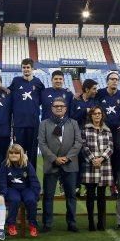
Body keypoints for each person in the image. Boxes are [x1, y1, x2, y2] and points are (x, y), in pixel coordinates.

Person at [37, 97, 83, 232]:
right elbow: (42, 143)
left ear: (65, 108)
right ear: (51, 108)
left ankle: (72, 223)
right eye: (56, 106)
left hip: (70, 164)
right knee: (48, 196)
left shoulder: (73, 123)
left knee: (71, 196)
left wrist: (67, 158)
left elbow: (78, 142)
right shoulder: (44, 123)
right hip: (51, 164)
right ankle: (47, 223)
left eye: (61, 106)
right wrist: (54, 158)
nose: (58, 108)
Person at [81, 106, 114, 231]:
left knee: (101, 196)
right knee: (90, 196)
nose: (97, 115)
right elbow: (83, 146)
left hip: (104, 166)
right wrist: (93, 159)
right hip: (90, 166)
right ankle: (91, 223)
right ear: (91, 115)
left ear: (102, 115)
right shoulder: (85, 129)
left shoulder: (107, 130)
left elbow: (110, 147)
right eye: (95, 114)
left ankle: (101, 223)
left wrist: (101, 159)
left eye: (99, 113)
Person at [95, 71, 120, 194]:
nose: (114, 81)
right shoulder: (100, 93)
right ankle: (98, 184)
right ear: (107, 81)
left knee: (116, 159)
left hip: (117, 132)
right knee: (101, 157)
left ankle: (114, 184)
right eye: (112, 79)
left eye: (116, 79)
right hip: (103, 131)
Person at [9, 59, 45, 170]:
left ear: (32, 69)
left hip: (33, 125)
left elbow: (45, 98)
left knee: (33, 154)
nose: (26, 69)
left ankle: (32, 178)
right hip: (19, 125)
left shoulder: (38, 83)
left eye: (28, 67)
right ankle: (19, 178)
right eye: (24, 67)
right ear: (21, 69)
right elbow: (7, 92)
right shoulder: (16, 81)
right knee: (18, 153)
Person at [0, 143, 41, 238]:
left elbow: (34, 180)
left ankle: (33, 225)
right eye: (11, 153)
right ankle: (11, 225)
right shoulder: (4, 164)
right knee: (15, 200)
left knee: (31, 200)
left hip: (26, 189)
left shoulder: (27, 164)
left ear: (21, 154)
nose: (13, 155)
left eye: (16, 153)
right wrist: (3, 193)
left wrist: (36, 193)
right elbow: (2, 181)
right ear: (8, 154)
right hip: (12, 189)